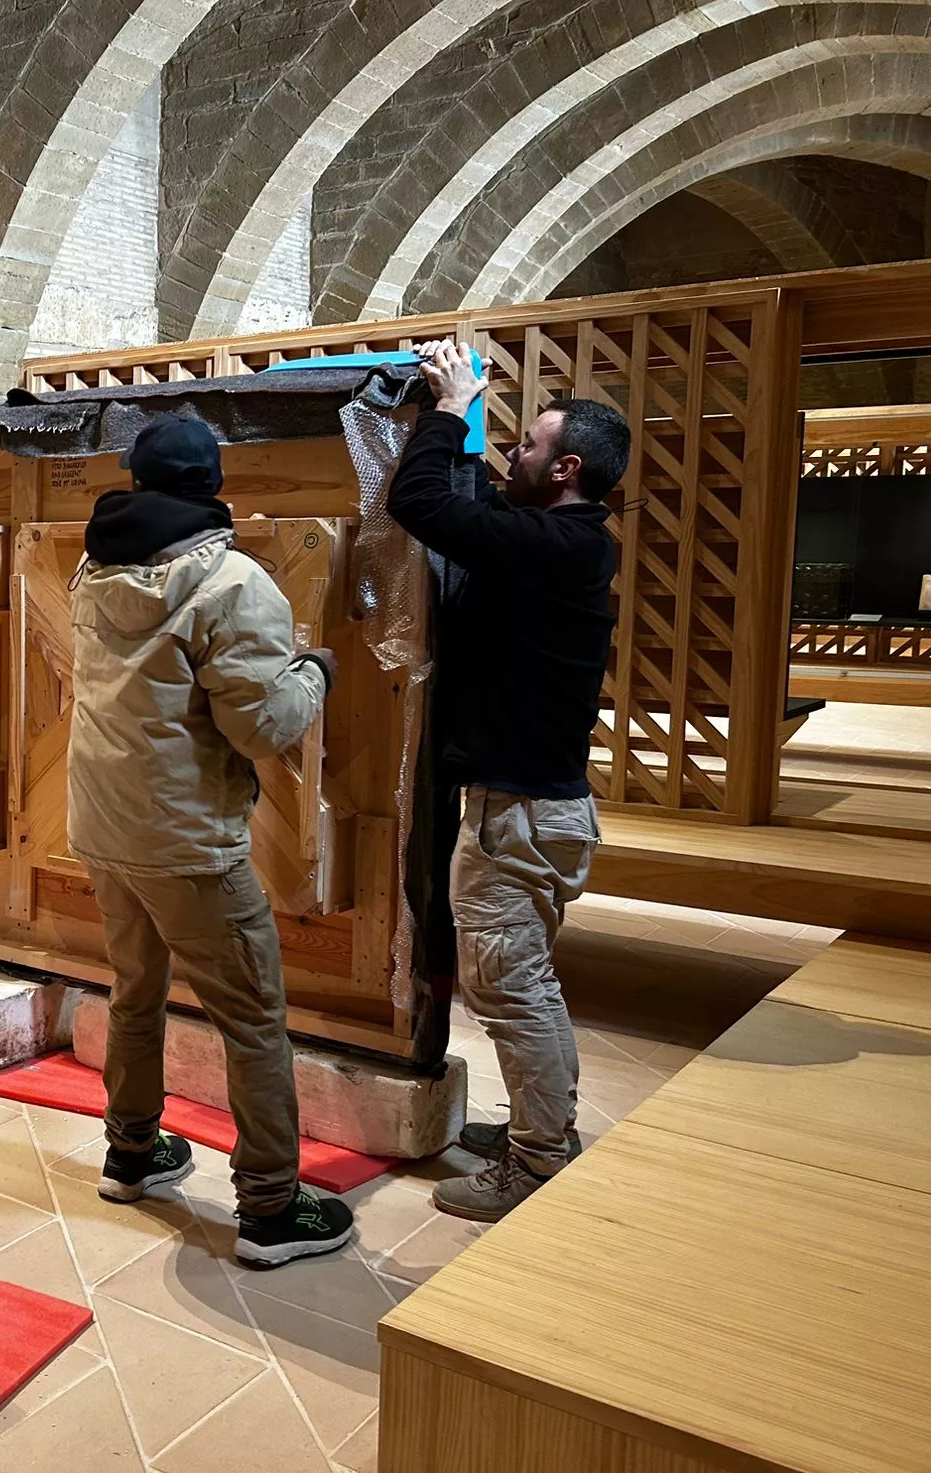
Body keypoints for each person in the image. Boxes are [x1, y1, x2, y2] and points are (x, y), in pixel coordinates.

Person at [67, 413, 355, 1269]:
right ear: (212, 486)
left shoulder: (92, 567)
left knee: (135, 991)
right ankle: (270, 1207)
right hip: (188, 841)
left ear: (135, 479)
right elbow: (261, 726)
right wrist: (315, 672)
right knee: (254, 1020)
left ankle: (131, 1153)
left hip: (104, 826)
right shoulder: (234, 582)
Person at [386, 340, 630, 1221]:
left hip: (520, 813)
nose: (511, 454)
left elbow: (417, 502)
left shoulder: (556, 545)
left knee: (509, 988)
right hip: (536, 809)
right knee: (522, 982)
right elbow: (473, 505)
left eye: (527, 444)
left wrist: (453, 408)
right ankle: (545, 1129)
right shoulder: (563, 541)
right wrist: (454, 413)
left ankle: (535, 1161)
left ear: (567, 469)